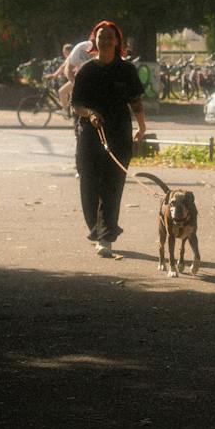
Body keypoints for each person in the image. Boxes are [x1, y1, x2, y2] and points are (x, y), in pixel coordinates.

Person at [71, 20, 146, 256]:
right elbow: (76, 105)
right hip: (90, 134)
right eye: (101, 36)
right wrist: (90, 113)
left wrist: (142, 127)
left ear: (117, 42)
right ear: (94, 40)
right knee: (89, 184)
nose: (105, 40)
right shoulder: (86, 71)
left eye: (110, 37)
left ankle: (105, 236)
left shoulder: (127, 70)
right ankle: (98, 229)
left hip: (119, 133)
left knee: (113, 186)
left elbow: (135, 102)